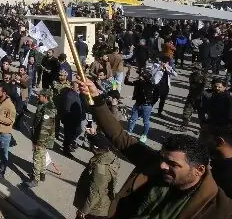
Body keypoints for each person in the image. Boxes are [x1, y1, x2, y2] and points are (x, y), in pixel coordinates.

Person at [78, 78, 232, 218]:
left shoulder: (218, 209)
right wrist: (97, 99)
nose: (162, 165)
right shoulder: (156, 164)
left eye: (173, 164)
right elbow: (120, 137)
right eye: (164, 159)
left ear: (199, 170)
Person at [72, 130, 119, 219]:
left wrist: (83, 211)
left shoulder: (100, 168)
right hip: (98, 206)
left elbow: (96, 192)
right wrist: (94, 134)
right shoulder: (109, 156)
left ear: (95, 148)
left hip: (95, 209)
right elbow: (103, 142)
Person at [25, 88, 57, 188]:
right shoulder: (43, 104)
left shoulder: (48, 109)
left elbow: (45, 128)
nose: (38, 97)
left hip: (41, 138)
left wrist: (38, 142)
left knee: (37, 158)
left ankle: (35, 179)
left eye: (40, 96)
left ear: (46, 97)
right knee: (42, 156)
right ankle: (42, 174)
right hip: (41, 137)